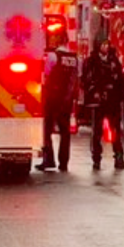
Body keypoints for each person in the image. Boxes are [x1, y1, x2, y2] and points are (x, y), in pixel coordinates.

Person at [80, 39, 124, 171]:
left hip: (112, 100)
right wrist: (94, 91)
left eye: (107, 44)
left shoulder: (114, 61)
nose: (105, 47)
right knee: (97, 131)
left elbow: (120, 78)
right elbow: (85, 79)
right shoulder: (91, 61)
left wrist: (122, 93)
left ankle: (119, 157)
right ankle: (96, 159)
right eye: (102, 44)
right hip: (98, 101)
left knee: (116, 130)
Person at [39, 35, 80, 172]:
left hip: (53, 98)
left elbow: (46, 75)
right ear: (67, 41)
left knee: (47, 130)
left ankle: (49, 159)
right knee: (65, 132)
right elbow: (77, 78)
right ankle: (64, 163)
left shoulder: (53, 56)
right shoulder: (75, 58)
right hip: (67, 100)